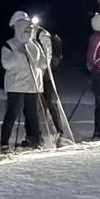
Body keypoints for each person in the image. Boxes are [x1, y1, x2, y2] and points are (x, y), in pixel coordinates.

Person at [0, 11, 50, 150]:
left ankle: (34, 138)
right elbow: (6, 64)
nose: (29, 31)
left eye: (30, 28)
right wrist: (18, 53)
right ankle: (4, 142)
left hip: (33, 86)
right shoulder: (9, 45)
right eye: (26, 28)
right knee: (12, 114)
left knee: (32, 114)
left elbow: (42, 65)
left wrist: (47, 50)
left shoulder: (35, 46)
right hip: (16, 85)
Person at [31, 15, 69, 145]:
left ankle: (58, 132)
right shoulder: (34, 36)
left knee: (50, 101)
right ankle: (39, 134)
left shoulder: (46, 36)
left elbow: (52, 55)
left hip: (46, 73)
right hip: (38, 72)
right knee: (37, 103)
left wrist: (47, 67)